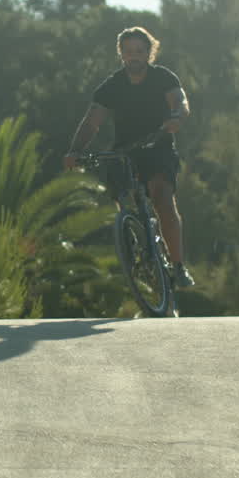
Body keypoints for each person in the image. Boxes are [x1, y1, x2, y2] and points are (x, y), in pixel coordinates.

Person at [63, 26, 195, 288]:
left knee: (162, 198)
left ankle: (178, 266)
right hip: (124, 151)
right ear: (121, 54)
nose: (133, 56)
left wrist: (177, 117)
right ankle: (135, 240)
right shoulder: (112, 86)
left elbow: (180, 102)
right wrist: (74, 150)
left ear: (149, 53)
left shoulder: (163, 78)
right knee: (124, 200)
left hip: (157, 146)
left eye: (139, 51)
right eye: (128, 52)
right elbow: (92, 122)